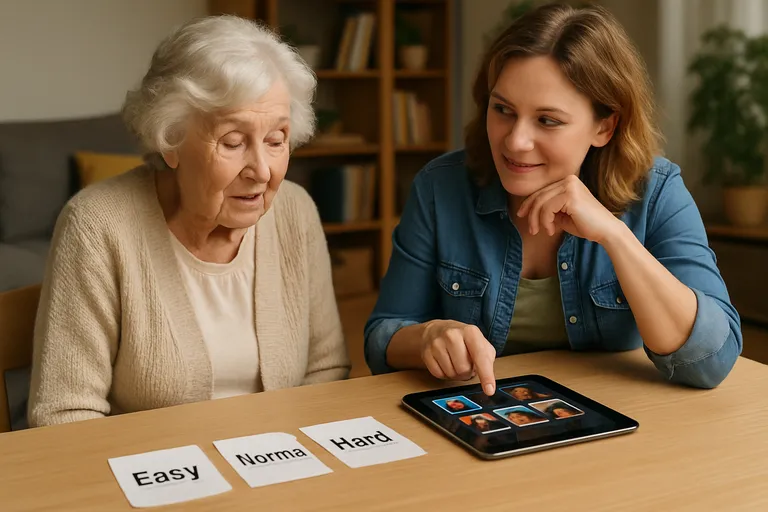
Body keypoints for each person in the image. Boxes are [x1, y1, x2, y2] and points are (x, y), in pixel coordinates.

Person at [364, 3, 741, 394]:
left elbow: (711, 361)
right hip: (483, 424)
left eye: (547, 120)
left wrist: (615, 236)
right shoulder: (440, 187)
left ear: (605, 126)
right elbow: (383, 337)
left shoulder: (657, 190)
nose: (515, 141)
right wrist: (428, 337)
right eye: (503, 110)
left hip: (621, 424)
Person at [28, 16, 350, 427]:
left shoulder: (295, 211)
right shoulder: (96, 226)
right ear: (171, 140)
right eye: (233, 142)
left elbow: (326, 374)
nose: (263, 171)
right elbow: (64, 413)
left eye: (276, 141)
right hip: (148, 478)